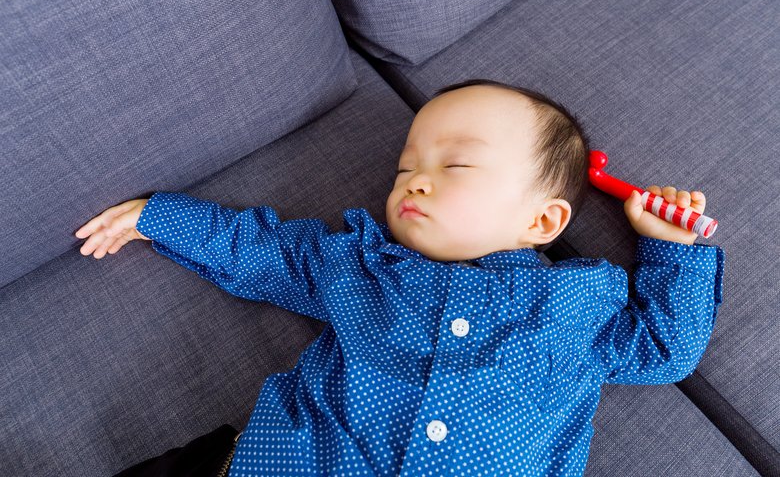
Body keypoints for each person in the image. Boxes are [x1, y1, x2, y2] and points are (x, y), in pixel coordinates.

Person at [76, 79, 725, 476]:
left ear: (544, 219)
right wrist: (162, 218)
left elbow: (664, 350)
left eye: (457, 165)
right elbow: (261, 250)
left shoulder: (580, 302)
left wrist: (673, 252)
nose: (415, 178)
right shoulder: (360, 263)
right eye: (405, 166)